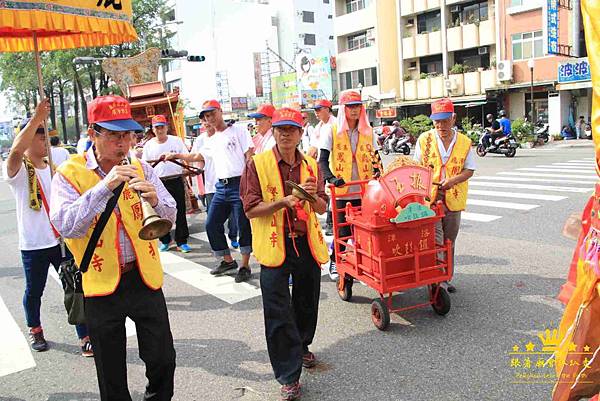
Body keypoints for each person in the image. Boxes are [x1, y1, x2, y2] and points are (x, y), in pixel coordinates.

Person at [50, 94, 177, 401]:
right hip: (100, 283)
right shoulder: (68, 173)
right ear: (93, 133)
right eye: (115, 135)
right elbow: (66, 225)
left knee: (163, 357)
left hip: (143, 277)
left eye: (128, 135)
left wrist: (155, 200)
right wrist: (104, 186)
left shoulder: (141, 167)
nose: (123, 144)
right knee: (110, 369)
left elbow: (170, 215)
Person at [240, 107, 329, 401]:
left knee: (306, 302)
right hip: (274, 244)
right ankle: (289, 375)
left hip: (305, 243)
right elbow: (251, 208)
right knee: (277, 312)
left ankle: (301, 346)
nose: (286, 134)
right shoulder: (258, 164)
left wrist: (311, 195)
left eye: (291, 129)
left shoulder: (312, 166)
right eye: (280, 129)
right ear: (273, 132)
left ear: (301, 133)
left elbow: (322, 208)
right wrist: (285, 201)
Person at [4, 99, 92, 355]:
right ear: (29, 138)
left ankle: (84, 335)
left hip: (61, 241)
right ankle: (35, 329)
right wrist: (36, 118)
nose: (45, 141)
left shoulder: (55, 169)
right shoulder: (18, 170)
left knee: (74, 288)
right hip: (33, 244)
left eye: (46, 137)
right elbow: (15, 153)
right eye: (40, 137)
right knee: (34, 291)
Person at [166, 100, 253, 283]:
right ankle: (227, 260)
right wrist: (177, 156)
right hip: (221, 187)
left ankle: (245, 265)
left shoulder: (238, 131)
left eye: (212, 113)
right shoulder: (210, 140)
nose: (209, 118)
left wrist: (249, 181)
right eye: (206, 116)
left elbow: (249, 155)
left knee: (243, 226)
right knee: (211, 224)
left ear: (220, 111)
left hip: (240, 184)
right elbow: (197, 156)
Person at [413, 98, 476, 293]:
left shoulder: (465, 142)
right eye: (437, 121)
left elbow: (470, 169)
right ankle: (437, 279)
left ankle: (446, 276)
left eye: (445, 120)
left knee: (450, 240)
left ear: (453, 118)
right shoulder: (425, 140)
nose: (441, 125)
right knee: (435, 240)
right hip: (430, 198)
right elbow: (416, 168)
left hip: (454, 197)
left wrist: (452, 181)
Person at [318, 90, 380, 280]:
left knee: (362, 232)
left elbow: (376, 158)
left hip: (364, 191)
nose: (354, 110)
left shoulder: (368, 131)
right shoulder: (332, 130)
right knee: (342, 231)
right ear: (343, 109)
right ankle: (336, 262)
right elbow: (322, 161)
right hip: (342, 191)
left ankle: (361, 265)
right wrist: (331, 178)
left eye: (357, 106)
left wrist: (379, 174)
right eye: (350, 107)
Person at [142, 115, 192, 253]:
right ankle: (165, 240)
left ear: (167, 127)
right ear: (153, 129)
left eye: (162, 127)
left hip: (176, 179)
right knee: (159, 211)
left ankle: (182, 241)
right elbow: (145, 165)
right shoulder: (149, 145)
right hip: (158, 183)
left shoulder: (176, 141)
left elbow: (186, 157)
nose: (160, 130)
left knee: (180, 211)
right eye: (157, 127)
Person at [191, 121, 239, 248]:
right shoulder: (200, 140)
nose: (206, 122)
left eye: (209, 118)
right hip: (210, 185)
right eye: (203, 119)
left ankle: (233, 236)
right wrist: (197, 169)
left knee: (234, 216)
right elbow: (197, 158)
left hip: (229, 183)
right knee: (213, 220)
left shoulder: (226, 135)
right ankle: (223, 250)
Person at [311, 99, 337, 236]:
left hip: (334, 165)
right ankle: (330, 221)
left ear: (328, 109)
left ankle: (332, 222)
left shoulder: (336, 124)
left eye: (319, 109)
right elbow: (314, 147)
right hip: (321, 165)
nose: (316, 113)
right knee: (326, 194)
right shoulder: (319, 126)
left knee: (334, 195)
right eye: (315, 110)